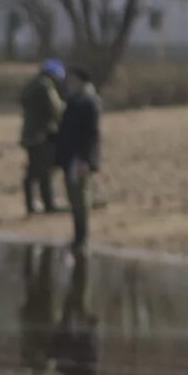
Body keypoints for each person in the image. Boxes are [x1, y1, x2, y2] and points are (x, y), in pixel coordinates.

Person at [52, 68, 103, 250]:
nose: (70, 84)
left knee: (81, 198)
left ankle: (83, 237)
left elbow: (92, 135)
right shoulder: (73, 102)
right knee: (73, 198)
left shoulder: (89, 102)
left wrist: (87, 161)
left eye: (73, 80)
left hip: (81, 158)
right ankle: (77, 237)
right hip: (69, 157)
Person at [18, 58, 66, 214]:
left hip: (29, 134)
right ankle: (48, 203)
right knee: (44, 169)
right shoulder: (45, 86)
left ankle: (31, 204)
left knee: (34, 169)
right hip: (42, 134)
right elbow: (56, 108)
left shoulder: (32, 85)